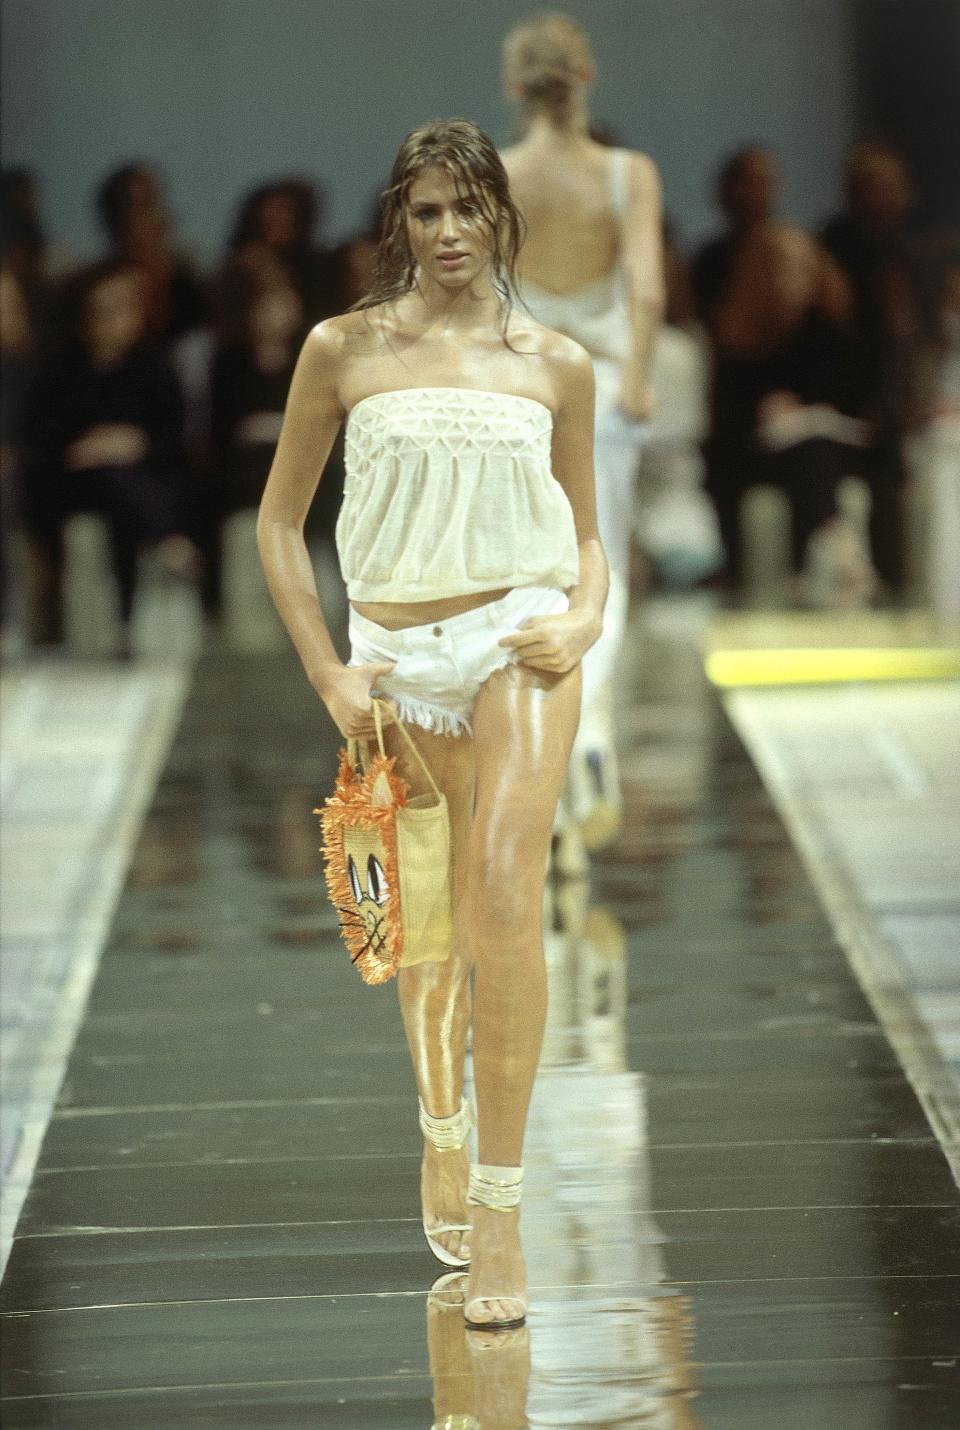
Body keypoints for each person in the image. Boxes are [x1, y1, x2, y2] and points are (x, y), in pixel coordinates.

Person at [257, 118, 607, 1332]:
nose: (450, 233)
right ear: (398, 223)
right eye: (427, 212)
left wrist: (589, 616)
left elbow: (591, 529)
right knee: (431, 918)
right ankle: (441, 1128)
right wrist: (331, 675)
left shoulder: (555, 360)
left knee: (505, 883)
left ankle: (502, 1205)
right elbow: (276, 524)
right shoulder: (342, 349)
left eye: (469, 209)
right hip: (395, 653)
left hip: (519, 635)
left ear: (501, 216)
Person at [500, 12, 664, 850]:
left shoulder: (496, 171)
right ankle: (588, 731)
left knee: (530, 570)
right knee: (600, 567)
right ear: (587, 75)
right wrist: (636, 379)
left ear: (514, 86)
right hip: (597, 385)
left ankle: (544, 746)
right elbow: (647, 287)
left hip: (519, 386)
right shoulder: (627, 173)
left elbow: (482, 290)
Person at [19, 259, 196, 651]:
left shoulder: (154, 365)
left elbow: (174, 436)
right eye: (104, 309)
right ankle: (168, 539)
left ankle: (130, 621)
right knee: (108, 478)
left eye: (124, 307)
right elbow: (42, 442)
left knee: (123, 487)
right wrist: (92, 447)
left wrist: (136, 444)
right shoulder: (58, 370)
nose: (115, 319)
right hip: (73, 484)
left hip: (143, 480)